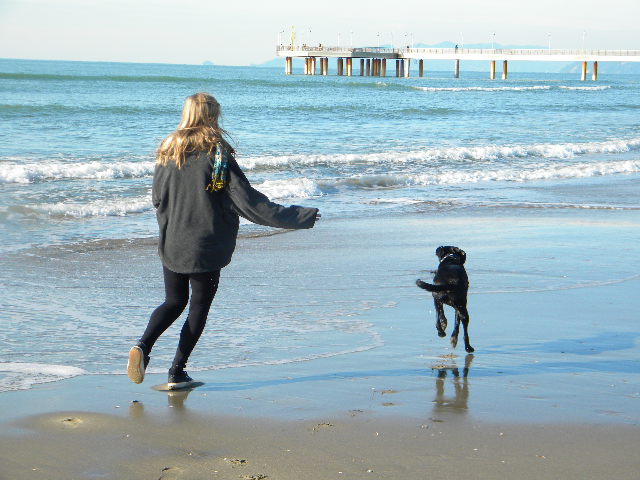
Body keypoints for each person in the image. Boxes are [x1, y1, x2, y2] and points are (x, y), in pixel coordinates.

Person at [127, 92, 320, 389]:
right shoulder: (216, 153)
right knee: (198, 307)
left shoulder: (167, 150)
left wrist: (171, 224)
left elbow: (157, 199)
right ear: (212, 116)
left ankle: (142, 346)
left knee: (173, 301)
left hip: (173, 239)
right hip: (205, 243)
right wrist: (300, 216)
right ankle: (177, 371)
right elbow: (249, 202)